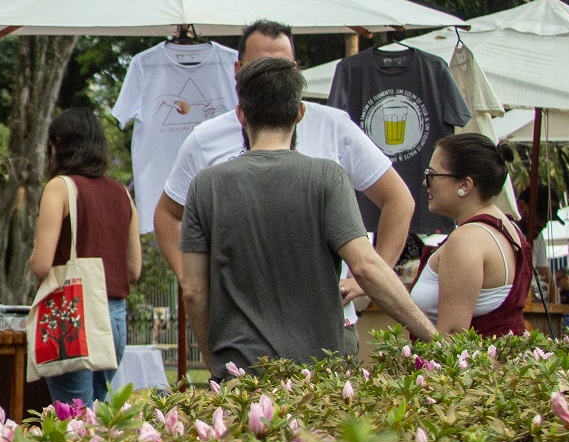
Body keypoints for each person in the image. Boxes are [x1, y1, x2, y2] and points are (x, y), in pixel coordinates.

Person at [180, 57, 436, 374]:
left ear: (242, 114)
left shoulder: (206, 186)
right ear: (299, 113)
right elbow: (367, 266)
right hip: (320, 377)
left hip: (243, 375)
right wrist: (433, 337)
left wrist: (216, 362)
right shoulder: (327, 178)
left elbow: (192, 290)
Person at [153, 21, 416, 307]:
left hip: (326, 320)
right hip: (242, 326)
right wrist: (193, 283)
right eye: (261, 66)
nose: (272, 77)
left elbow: (398, 200)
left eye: (282, 68)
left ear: (295, 71)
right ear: (238, 70)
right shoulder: (206, 138)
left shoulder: (333, 126)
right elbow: (167, 214)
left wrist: (369, 276)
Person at [27, 107, 143, 405]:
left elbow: (42, 265)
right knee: (98, 416)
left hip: (74, 316)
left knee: (74, 421)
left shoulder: (60, 188)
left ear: (58, 144)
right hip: (115, 318)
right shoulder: (121, 192)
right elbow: (134, 270)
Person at [408, 133, 534, 336]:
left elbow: (452, 337)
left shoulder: (467, 240)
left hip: (476, 366)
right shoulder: (509, 228)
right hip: (502, 362)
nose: (425, 183)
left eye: (432, 175)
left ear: (464, 185)